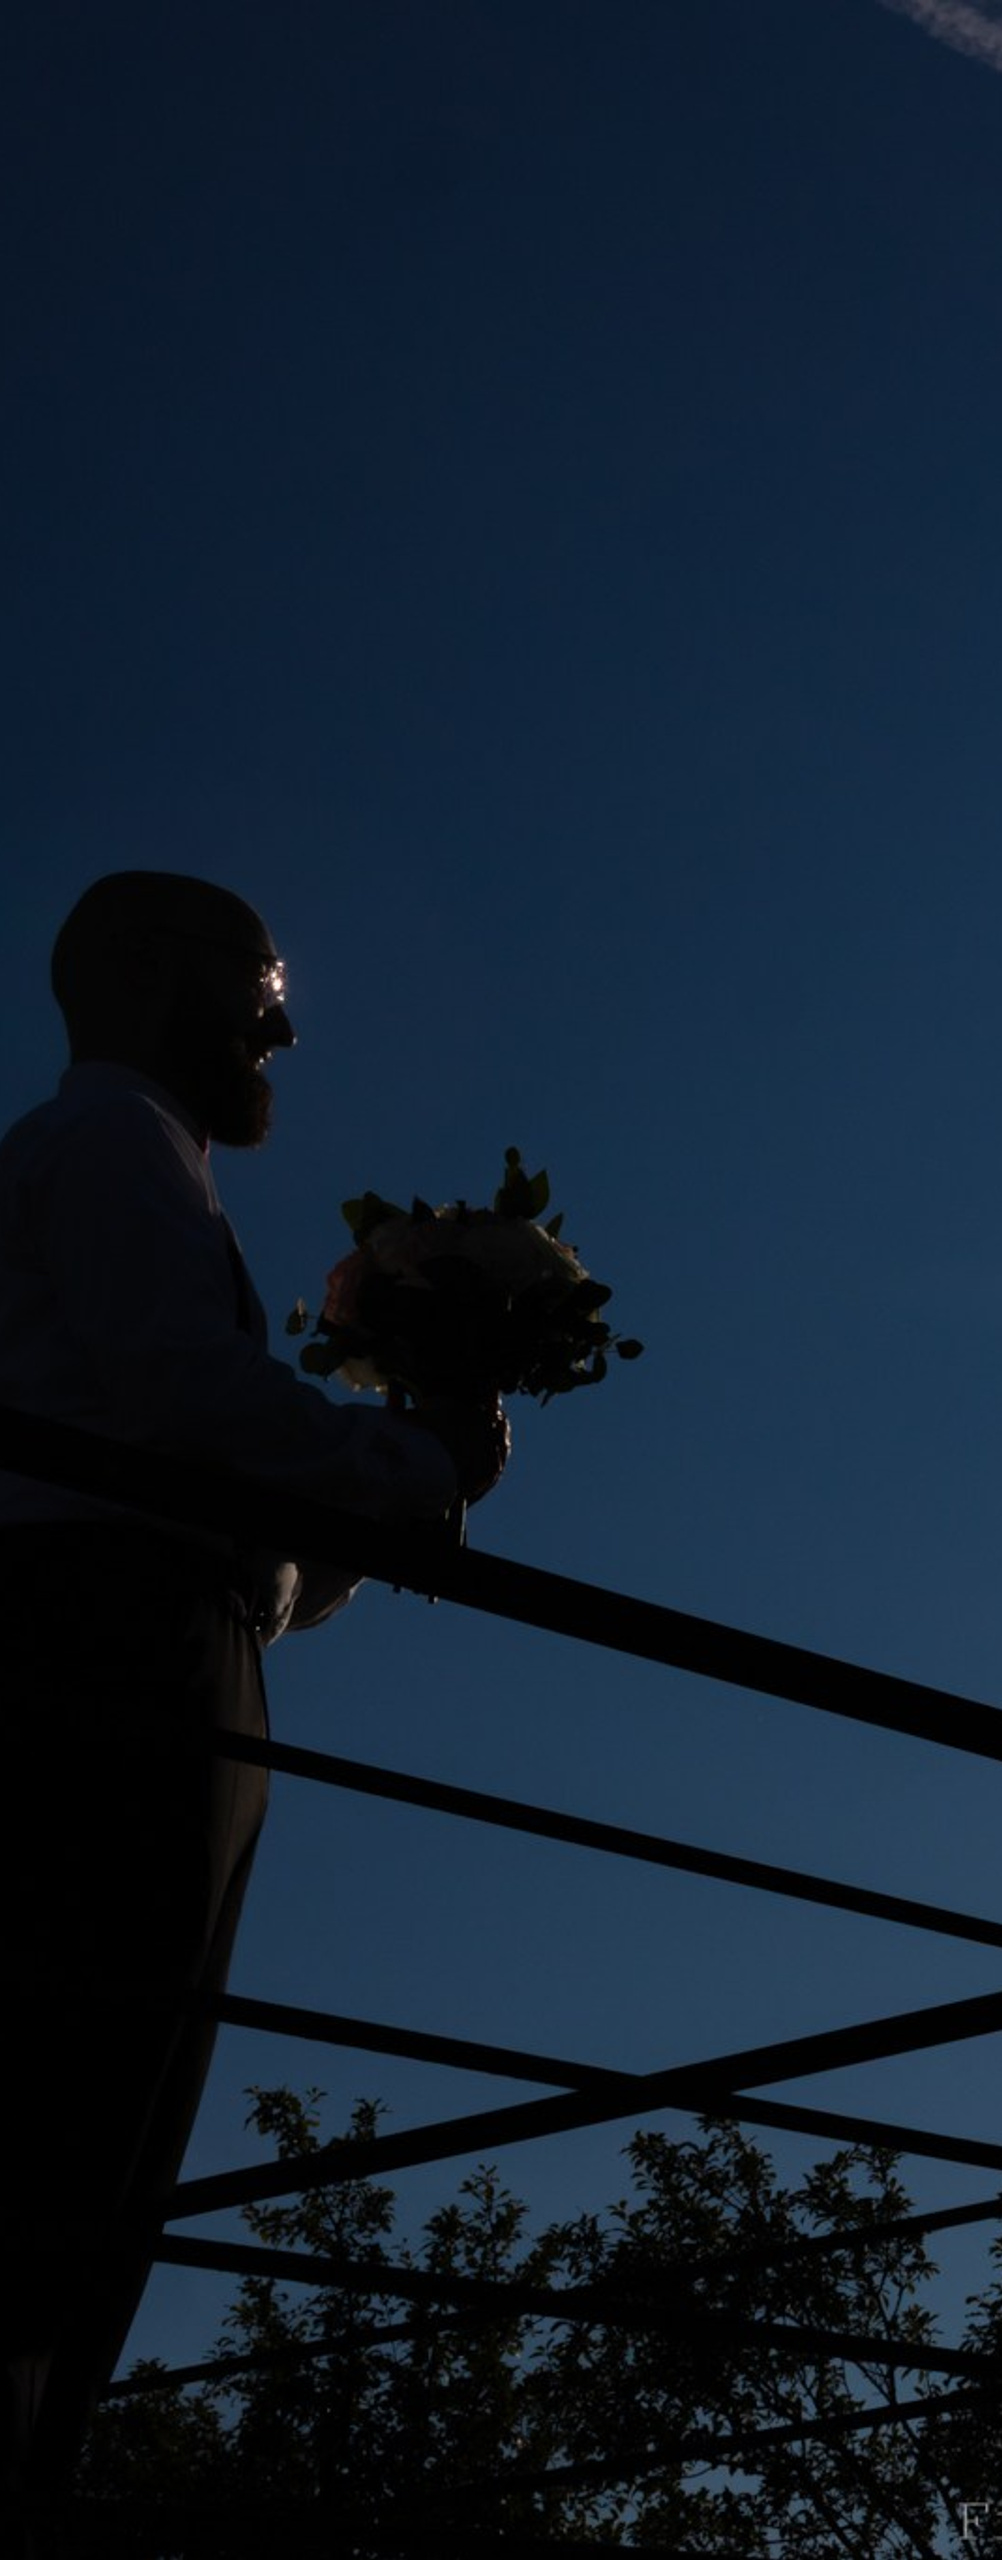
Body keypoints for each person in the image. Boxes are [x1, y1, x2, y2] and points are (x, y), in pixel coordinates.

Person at [0, 873, 506, 2551]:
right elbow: (183, 1400)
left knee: (111, 2133)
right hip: (110, 1655)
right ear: (156, 979)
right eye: (263, 989)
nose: (281, 1031)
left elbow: (203, 1504)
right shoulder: (110, 1145)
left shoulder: (129, 1158)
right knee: (78, 2118)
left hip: (161, 1640)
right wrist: (411, 1460)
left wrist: (373, 1508)